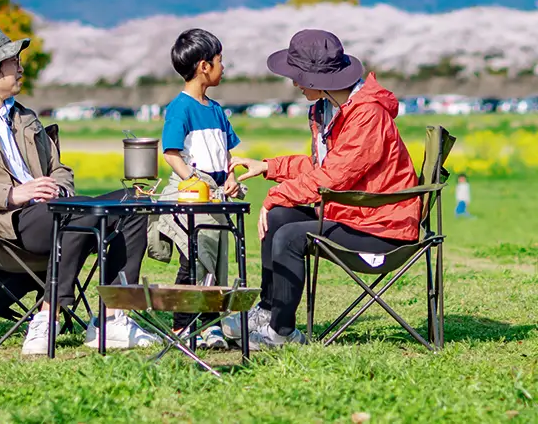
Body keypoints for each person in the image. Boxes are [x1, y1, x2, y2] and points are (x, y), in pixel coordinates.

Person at [0, 24, 155, 356]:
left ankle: (113, 317)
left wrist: (59, 186)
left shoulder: (23, 116)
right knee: (76, 212)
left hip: (52, 214)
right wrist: (9, 194)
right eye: (13, 61)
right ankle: (48, 315)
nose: (21, 68)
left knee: (132, 202)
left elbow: (59, 169)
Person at [226, 29, 420, 348]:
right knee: (279, 218)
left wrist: (276, 193)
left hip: (383, 227)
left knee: (290, 235)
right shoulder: (328, 109)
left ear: (318, 80)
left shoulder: (367, 114)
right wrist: (269, 167)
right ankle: (268, 311)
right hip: (355, 211)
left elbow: (332, 178)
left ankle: (282, 334)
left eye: (299, 76)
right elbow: (325, 168)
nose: (295, 84)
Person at [156, 29, 243, 349]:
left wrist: (231, 177)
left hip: (216, 197)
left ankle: (210, 324)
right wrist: (194, 181)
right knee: (194, 258)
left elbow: (227, 152)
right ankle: (183, 325)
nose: (224, 67)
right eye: (221, 61)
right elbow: (171, 152)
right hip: (192, 195)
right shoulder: (180, 107)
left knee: (217, 261)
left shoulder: (217, 110)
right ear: (204, 66)